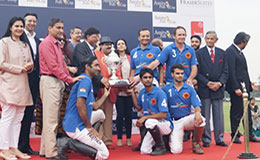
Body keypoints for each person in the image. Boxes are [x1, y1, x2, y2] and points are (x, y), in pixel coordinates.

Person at [39, 18, 83, 159]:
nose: (61, 30)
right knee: (51, 119)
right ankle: (51, 153)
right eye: (58, 27)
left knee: (50, 119)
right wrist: (70, 79)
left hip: (56, 82)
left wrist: (67, 78)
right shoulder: (46, 43)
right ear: (50, 28)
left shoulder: (56, 44)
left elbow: (62, 66)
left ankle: (45, 150)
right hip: (50, 81)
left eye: (62, 28)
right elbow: (54, 67)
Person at [63, 56, 110, 160]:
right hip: (75, 126)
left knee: (101, 114)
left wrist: (105, 95)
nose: (99, 68)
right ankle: (70, 143)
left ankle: (86, 143)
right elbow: (79, 105)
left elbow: (95, 106)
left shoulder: (88, 80)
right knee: (104, 154)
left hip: (80, 123)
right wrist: (90, 128)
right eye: (96, 65)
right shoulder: (85, 80)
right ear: (87, 66)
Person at [0, 16, 33, 160]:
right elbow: (1, 63)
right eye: (16, 26)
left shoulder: (25, 44)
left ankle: (14, 148)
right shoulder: (4, 42)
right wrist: (19, 68)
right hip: (9, 83)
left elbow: (31, 62)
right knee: (7, 117)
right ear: (11, 27)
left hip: (23, 84)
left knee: (18, 118)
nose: (19, 29)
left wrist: (29, 67)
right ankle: (3, 149)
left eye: (21, 26)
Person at [162, 64, 205, 154]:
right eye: (177, 73)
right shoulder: (166, 89)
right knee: (176, 151)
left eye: (182, 73)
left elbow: (197, 104)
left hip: (185, 119)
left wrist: (197, 112)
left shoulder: (189, 88)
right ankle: (168, 139)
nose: (180, 75)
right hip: (173, 121)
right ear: (172, 74)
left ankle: (196, 143)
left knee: (202, 120)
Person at [225, 32, 260, 143]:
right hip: (237, 89)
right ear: (242, 42)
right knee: (236, 112)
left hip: (244, 88)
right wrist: (236, 87)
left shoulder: (239, 52)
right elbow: (231, 71)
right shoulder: (230, 51)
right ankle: (235, 135)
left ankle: (249, 134)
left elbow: (243, 71)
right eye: (246, 42)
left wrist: (249, 84)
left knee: (247, 112)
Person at [130, 67, 173, 155]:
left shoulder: (159, 93)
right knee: (144, 151)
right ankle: (157, 142)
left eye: (150, 77)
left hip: (165, 123)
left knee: (148, 121)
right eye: (145, 78)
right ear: (141, 80)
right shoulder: (142, 92)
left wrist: (145, 117)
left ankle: (161, 147)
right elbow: (138, 108)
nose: (148, 80)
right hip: (153, 124)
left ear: (153, 79)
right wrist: (132, 93)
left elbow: (163, 114)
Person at [196, 31, 228, 147]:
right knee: (205, 115)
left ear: (216, 39)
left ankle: (219, 138)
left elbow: (226, 71)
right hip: (205, 89)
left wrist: (219, 83)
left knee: (218, 116)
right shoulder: (199, 53)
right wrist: (207, 83)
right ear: (205, 39)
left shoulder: (222, 53)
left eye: (212, 39)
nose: (209, 40)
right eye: (208, 38)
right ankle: (206, 139)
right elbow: (197, 72)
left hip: (218, 89)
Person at [17, 12, 41, 156]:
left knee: (28, 115)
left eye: (34, 21)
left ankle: (24, 145)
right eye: (29, 21)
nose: (31, 23)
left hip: (34, 82)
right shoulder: (18, 38)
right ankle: (14, 146)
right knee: (16, 115)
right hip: (19, 80)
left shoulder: (38, 41)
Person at [94, 36, 121, 149]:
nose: (108, 46)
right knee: (98, 118)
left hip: (111, 92)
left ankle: (108, 141)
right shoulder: (95, 55)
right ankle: (97, 141)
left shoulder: (115, 57)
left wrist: (116, 81)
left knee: (108, 118)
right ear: (100, 46)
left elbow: (118, 73)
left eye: (110, 44)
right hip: (99, 91)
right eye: (106, 44)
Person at [72, 27, 109, 98]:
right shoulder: (80, 47)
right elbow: (84, 64)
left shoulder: (92, 50)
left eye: (98, 37)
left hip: (92, 85)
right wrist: (101, 78)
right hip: (83, 84)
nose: (97, 39)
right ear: (88, 36)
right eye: (95, 37)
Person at [114, 38, 133, 147]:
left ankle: (129, 138)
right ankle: (120, 138)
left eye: (122, 43)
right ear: (116, 47)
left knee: (129, 115)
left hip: (129, 91)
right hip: (119, 92)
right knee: (120, 115)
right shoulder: (113, 59)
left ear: (125, 46)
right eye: (119, 44)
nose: (121, 45)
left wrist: (129, 86)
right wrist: (121, 86)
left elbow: (133, 72)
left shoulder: (130, 59)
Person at [183, 34, 202, 142]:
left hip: (198, 86)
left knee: (196, 110)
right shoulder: (188, 52)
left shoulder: (202, 54)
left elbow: (201, 70)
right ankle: (186, 133)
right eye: (192, 42)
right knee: (185, 110)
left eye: (196, 42)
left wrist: (197, 81)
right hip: (186, 84)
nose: (194, 44)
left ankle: (196, 136)